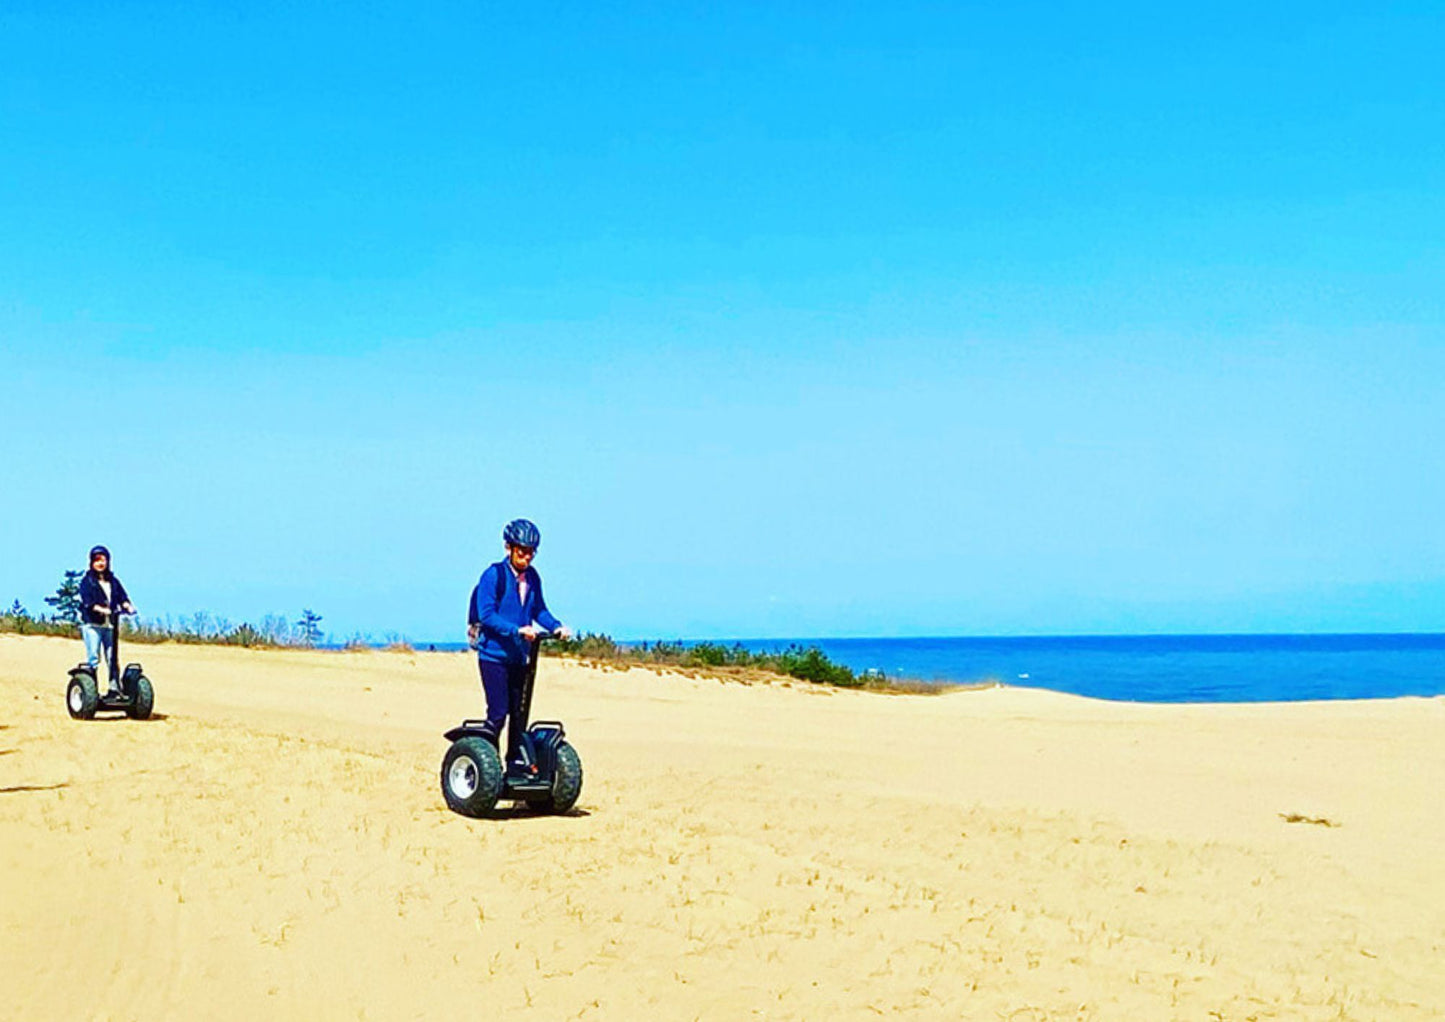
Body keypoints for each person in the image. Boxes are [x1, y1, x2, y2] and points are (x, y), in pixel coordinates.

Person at [472, 519, 573, 774]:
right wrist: (516, 630)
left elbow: (539, 609)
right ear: (509, 548)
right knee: (498, 712)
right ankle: (487, 765)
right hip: (494, 656)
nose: (526, 557)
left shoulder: (533, 578)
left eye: (531, 552)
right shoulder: (493, 575)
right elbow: (487, 615)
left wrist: (556, 627)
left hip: (519, 658)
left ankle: (515, 762)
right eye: (522, 551)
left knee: (519, 715)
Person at [78, 545, 135, 698]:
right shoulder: (87, 582)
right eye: (97, 560)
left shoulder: (113, 581)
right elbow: (88, 602)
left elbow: (122, 597)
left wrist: (127, 606)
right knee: (94, 658)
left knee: (112, 657)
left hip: (110, 625)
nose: (100, 563)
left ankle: (114, 689)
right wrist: (100, 609)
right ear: (91, 562)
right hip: (93, 624)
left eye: (103, 560)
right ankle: (91, 692)